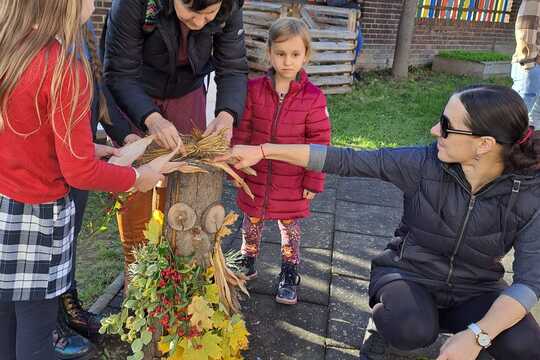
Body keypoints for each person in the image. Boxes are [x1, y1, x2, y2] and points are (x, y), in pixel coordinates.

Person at [222, 85, 540, 359]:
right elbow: (345, 159)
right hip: (408, 274)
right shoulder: (423, 164)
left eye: (446, 125)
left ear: (484, 144)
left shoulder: (529, 193)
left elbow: (528, 283)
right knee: (411, 328)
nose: (434, 131)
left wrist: (477, 335)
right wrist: (264, 151)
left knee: (526, 345)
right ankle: (382, 326)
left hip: (476, 288)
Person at [0, 1, 164, 359]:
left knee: (6, 322)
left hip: (3, 207)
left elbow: (23, 137)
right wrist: (138, 176)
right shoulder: (62, 68)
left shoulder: (9, 47)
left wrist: (86, 147)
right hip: (38, 220)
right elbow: (79, 173)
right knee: (36, 332)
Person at [103, 0, 248, 280]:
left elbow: (233, 66)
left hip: (186, 91)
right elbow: (120, 73)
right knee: (135, 185)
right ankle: (137, 272)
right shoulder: (133, 4)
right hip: (134, 90)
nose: (200, 22)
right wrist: (152, 118)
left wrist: (227, 113)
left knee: (181, 177)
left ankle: (173, 271)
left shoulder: (230, 5)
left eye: (209, 14)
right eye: (193, 12)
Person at [53, 20, 143, 360]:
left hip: (78, 155)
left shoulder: (81, 27)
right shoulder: (41, 31)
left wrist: (123, 133)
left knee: (67, 241)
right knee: (47, 250)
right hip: (50, 169)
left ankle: (68, 309)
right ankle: (50, 326)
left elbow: (97, 89)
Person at [231, 17, 331, 305]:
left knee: (290, 229)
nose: (287, 61)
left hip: (292, 179)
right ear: (269, 53)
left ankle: (290, 272)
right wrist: (236, 167)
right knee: (251, 221)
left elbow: (319, 142)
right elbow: (243, 130)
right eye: (281, 54)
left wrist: (314, 179)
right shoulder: (254, 90)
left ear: (306, 55)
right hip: (256, 175)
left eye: (295, 54)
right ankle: (247, 260)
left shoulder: (313, 98)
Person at [512, 0, 540, 130]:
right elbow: (525, 28)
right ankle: (499, 146)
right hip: (532, 66)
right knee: (514, 116)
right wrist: (529, 62)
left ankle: (528, 147)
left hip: (535, 66)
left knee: (533, 119)